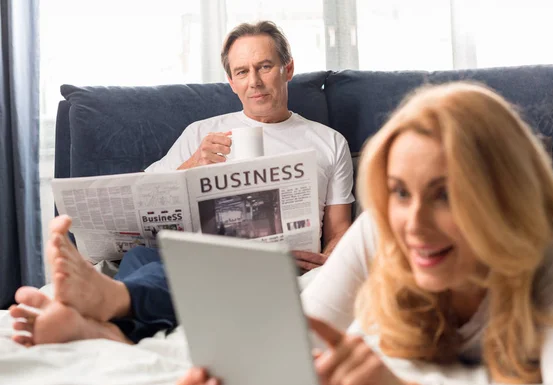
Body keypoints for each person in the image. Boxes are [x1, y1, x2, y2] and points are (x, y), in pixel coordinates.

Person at [174, 82, 553, 385]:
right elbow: (290, 343)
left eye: (445, 194)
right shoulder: (384, 229)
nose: (413, 224)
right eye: (400, 191)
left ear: (501, 196)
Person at [9, 20, 354, 345]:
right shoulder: (202, 134)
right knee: (144, 259)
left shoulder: (328, 142)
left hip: (274, 269)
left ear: (287, 69)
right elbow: (143, 197)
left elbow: (339, 231)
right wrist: (193, 164)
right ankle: (109, 323)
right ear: (231, 82)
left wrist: (326, 263)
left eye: (264, 66)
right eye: (242, 72)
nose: (255, 81)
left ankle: (107, 314)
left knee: (174, 277)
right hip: (198, 262)